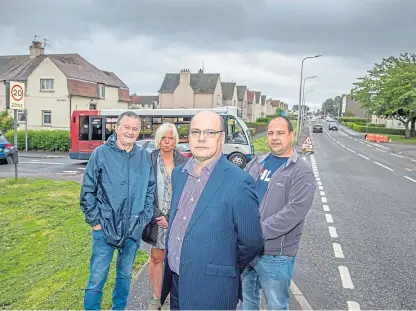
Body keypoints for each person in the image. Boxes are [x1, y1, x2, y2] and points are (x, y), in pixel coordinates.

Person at [160, 111, 264, 310]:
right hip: (176, 285)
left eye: (209, 132)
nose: (201, 138)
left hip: (212, 291)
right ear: (188, 136)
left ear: (222, 137)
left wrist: (224, 267)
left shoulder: (239, 182)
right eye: (196, 132)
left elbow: (252, 241)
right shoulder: (178, 174)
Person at [80, 111, 156, 310]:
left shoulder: (144, 157)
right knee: (97, 279)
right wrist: (96, 223)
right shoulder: (101, 154)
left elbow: (150, 189)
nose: (130, 132)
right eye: (127, 127)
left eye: (135, 129)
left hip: (132, 229)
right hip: (104, 229)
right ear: (117, 128)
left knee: (124, 276)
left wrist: (144, 218)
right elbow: (87, 191)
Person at [241, 116, 316, 310]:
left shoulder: (301, 172)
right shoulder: (257, 163)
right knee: (247, 300)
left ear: (291, 135)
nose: (275, 138)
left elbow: (292, 213)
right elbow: (240, 194)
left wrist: (254, 231)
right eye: (271, 133)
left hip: (276, 255)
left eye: (280, 133)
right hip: (248, 249)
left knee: (276, 305)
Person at [141, 123, 187, 310]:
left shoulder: (184, 162)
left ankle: (177, 296)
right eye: (163, 138)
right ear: (158, 139)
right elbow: (143, 191)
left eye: (171, 138)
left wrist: (171, 216)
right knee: (157, 258)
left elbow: (187, 193)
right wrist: (158, 215)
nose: (167, 142)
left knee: (178, 258)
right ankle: (157, 296)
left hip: (177, 218)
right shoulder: (148, 160)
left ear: (176, 140)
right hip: (156, 219)